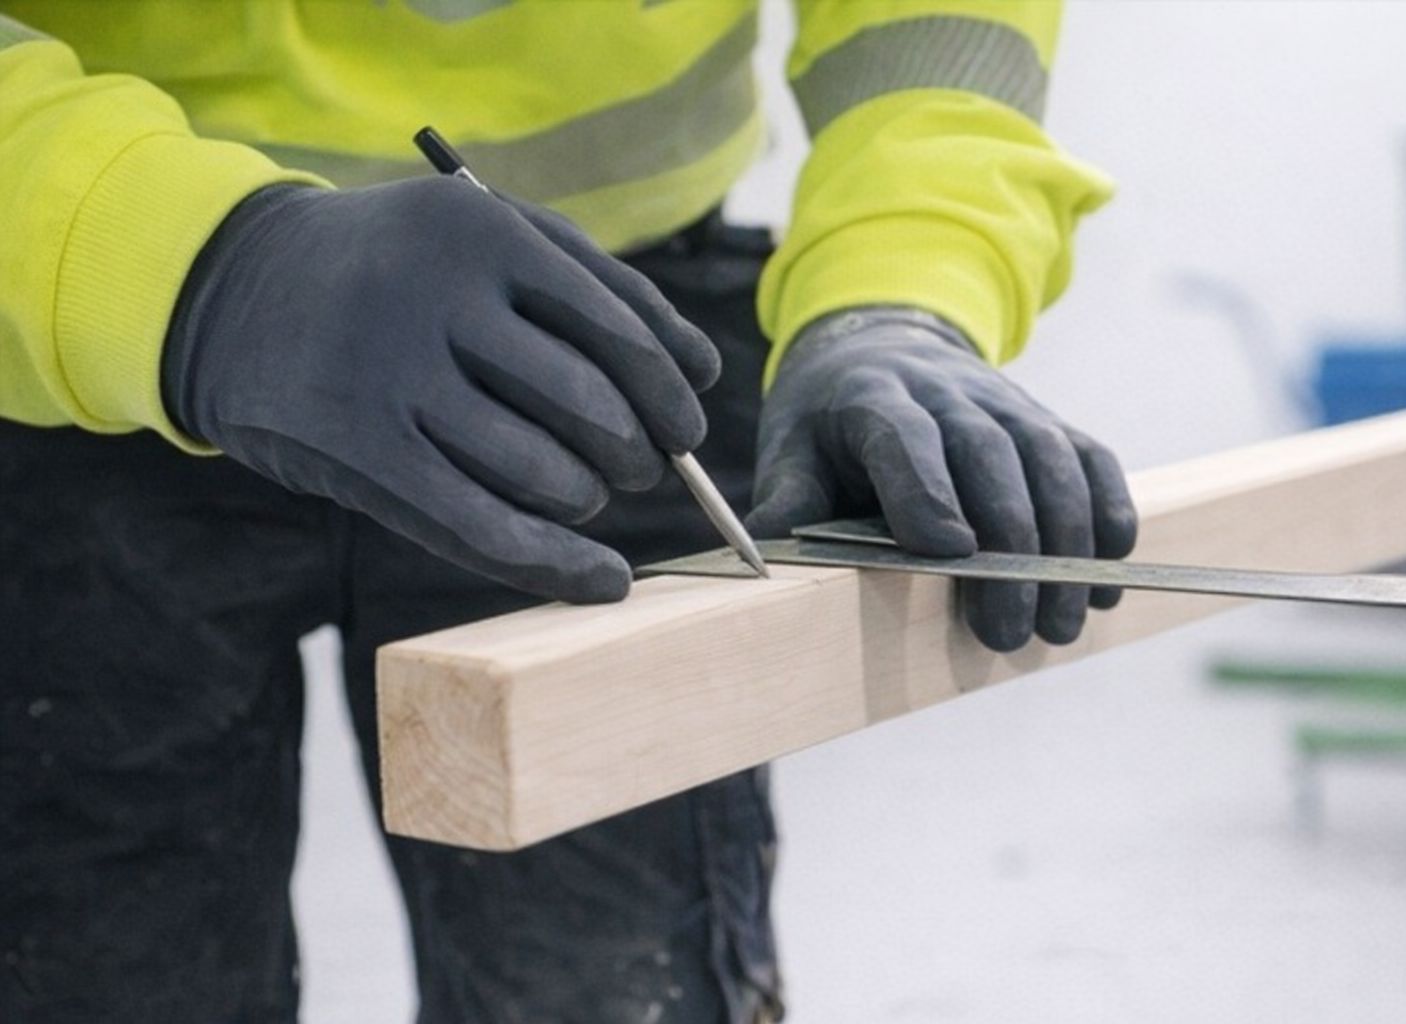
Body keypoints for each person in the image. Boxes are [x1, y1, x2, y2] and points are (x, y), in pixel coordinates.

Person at [0, 2, 1138, 1021]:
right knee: (87, 967)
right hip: (68, 350)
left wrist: (901, 291)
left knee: (608, 982)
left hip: (603, 363)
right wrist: (186, 268)